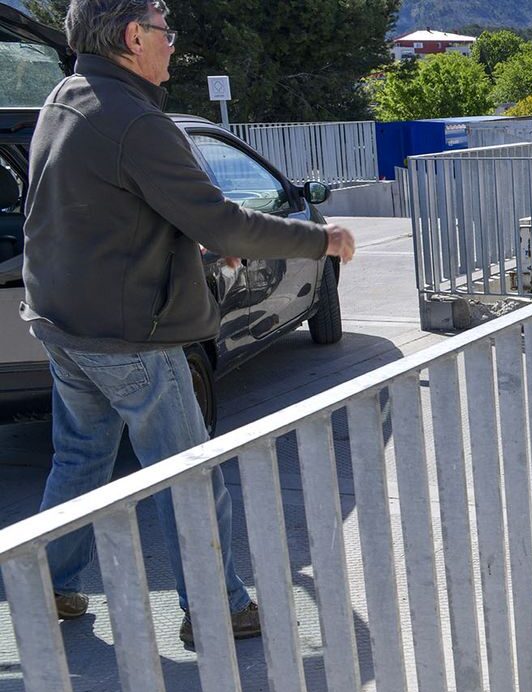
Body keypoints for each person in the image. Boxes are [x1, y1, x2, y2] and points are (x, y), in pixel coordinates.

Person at [21, 0, 356, 646]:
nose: (174, 45)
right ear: (132, 36)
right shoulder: (136, 122)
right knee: (189, 473)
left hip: (65, 327)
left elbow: (104, 210)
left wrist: (197, 239)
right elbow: (223, 221)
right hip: (130, 341)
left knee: (82, 458)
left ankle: (51, 584)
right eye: (166, 32)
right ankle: (217, 607)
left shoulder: (66, 97)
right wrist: (322, 241)